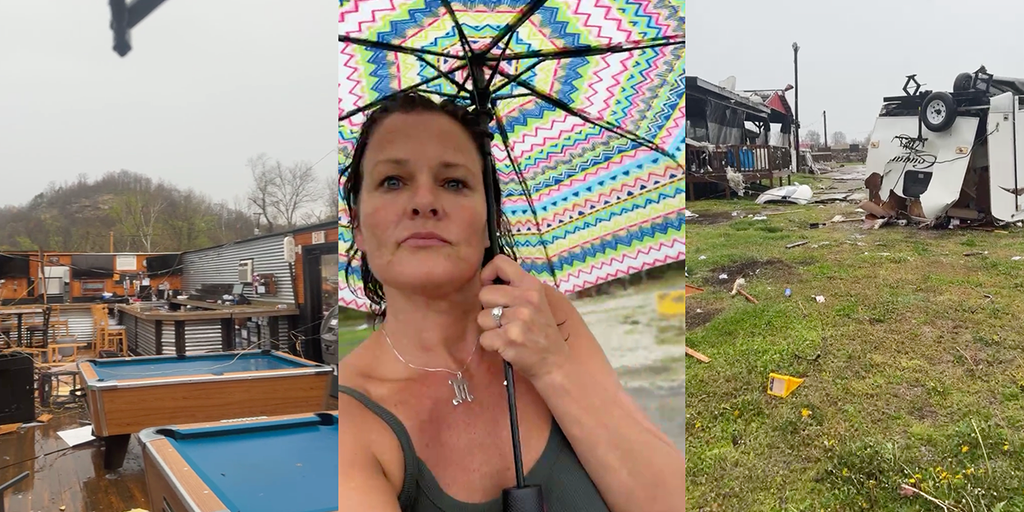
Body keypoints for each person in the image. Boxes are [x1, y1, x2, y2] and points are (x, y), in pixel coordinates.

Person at [337, 92, 685, 511]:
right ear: (357, 225)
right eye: (393, 181)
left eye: (454, 182)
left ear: (489, 220)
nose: (424, 202)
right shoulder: (350, 417)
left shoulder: (545, 314)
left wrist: (553, 367)